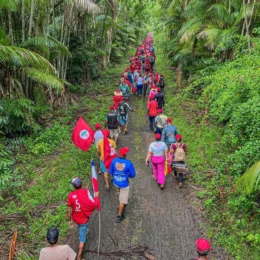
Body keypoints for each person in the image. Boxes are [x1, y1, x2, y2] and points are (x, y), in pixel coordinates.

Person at [67, 177, 99, 260]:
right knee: (82, 239)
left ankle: (83, 230)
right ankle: (79, 257)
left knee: (81, 227)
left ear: (74, 186)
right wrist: (96, 197)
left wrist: (70, 220)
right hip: (83, 220)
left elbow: (69, 210)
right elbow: (93, 204)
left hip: (75, 218)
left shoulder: (71, 195)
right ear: (81, 184)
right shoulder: (85, 192)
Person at [110, 147, 136, 223]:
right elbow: (133, 175)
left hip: (116, 182)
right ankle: (119, 216)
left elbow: (111, 171)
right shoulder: (128, 163)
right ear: (125, 154)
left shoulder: (114, 161)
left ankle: (121, 201)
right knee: (122, 200)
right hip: (124, 184)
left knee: (120, 193)